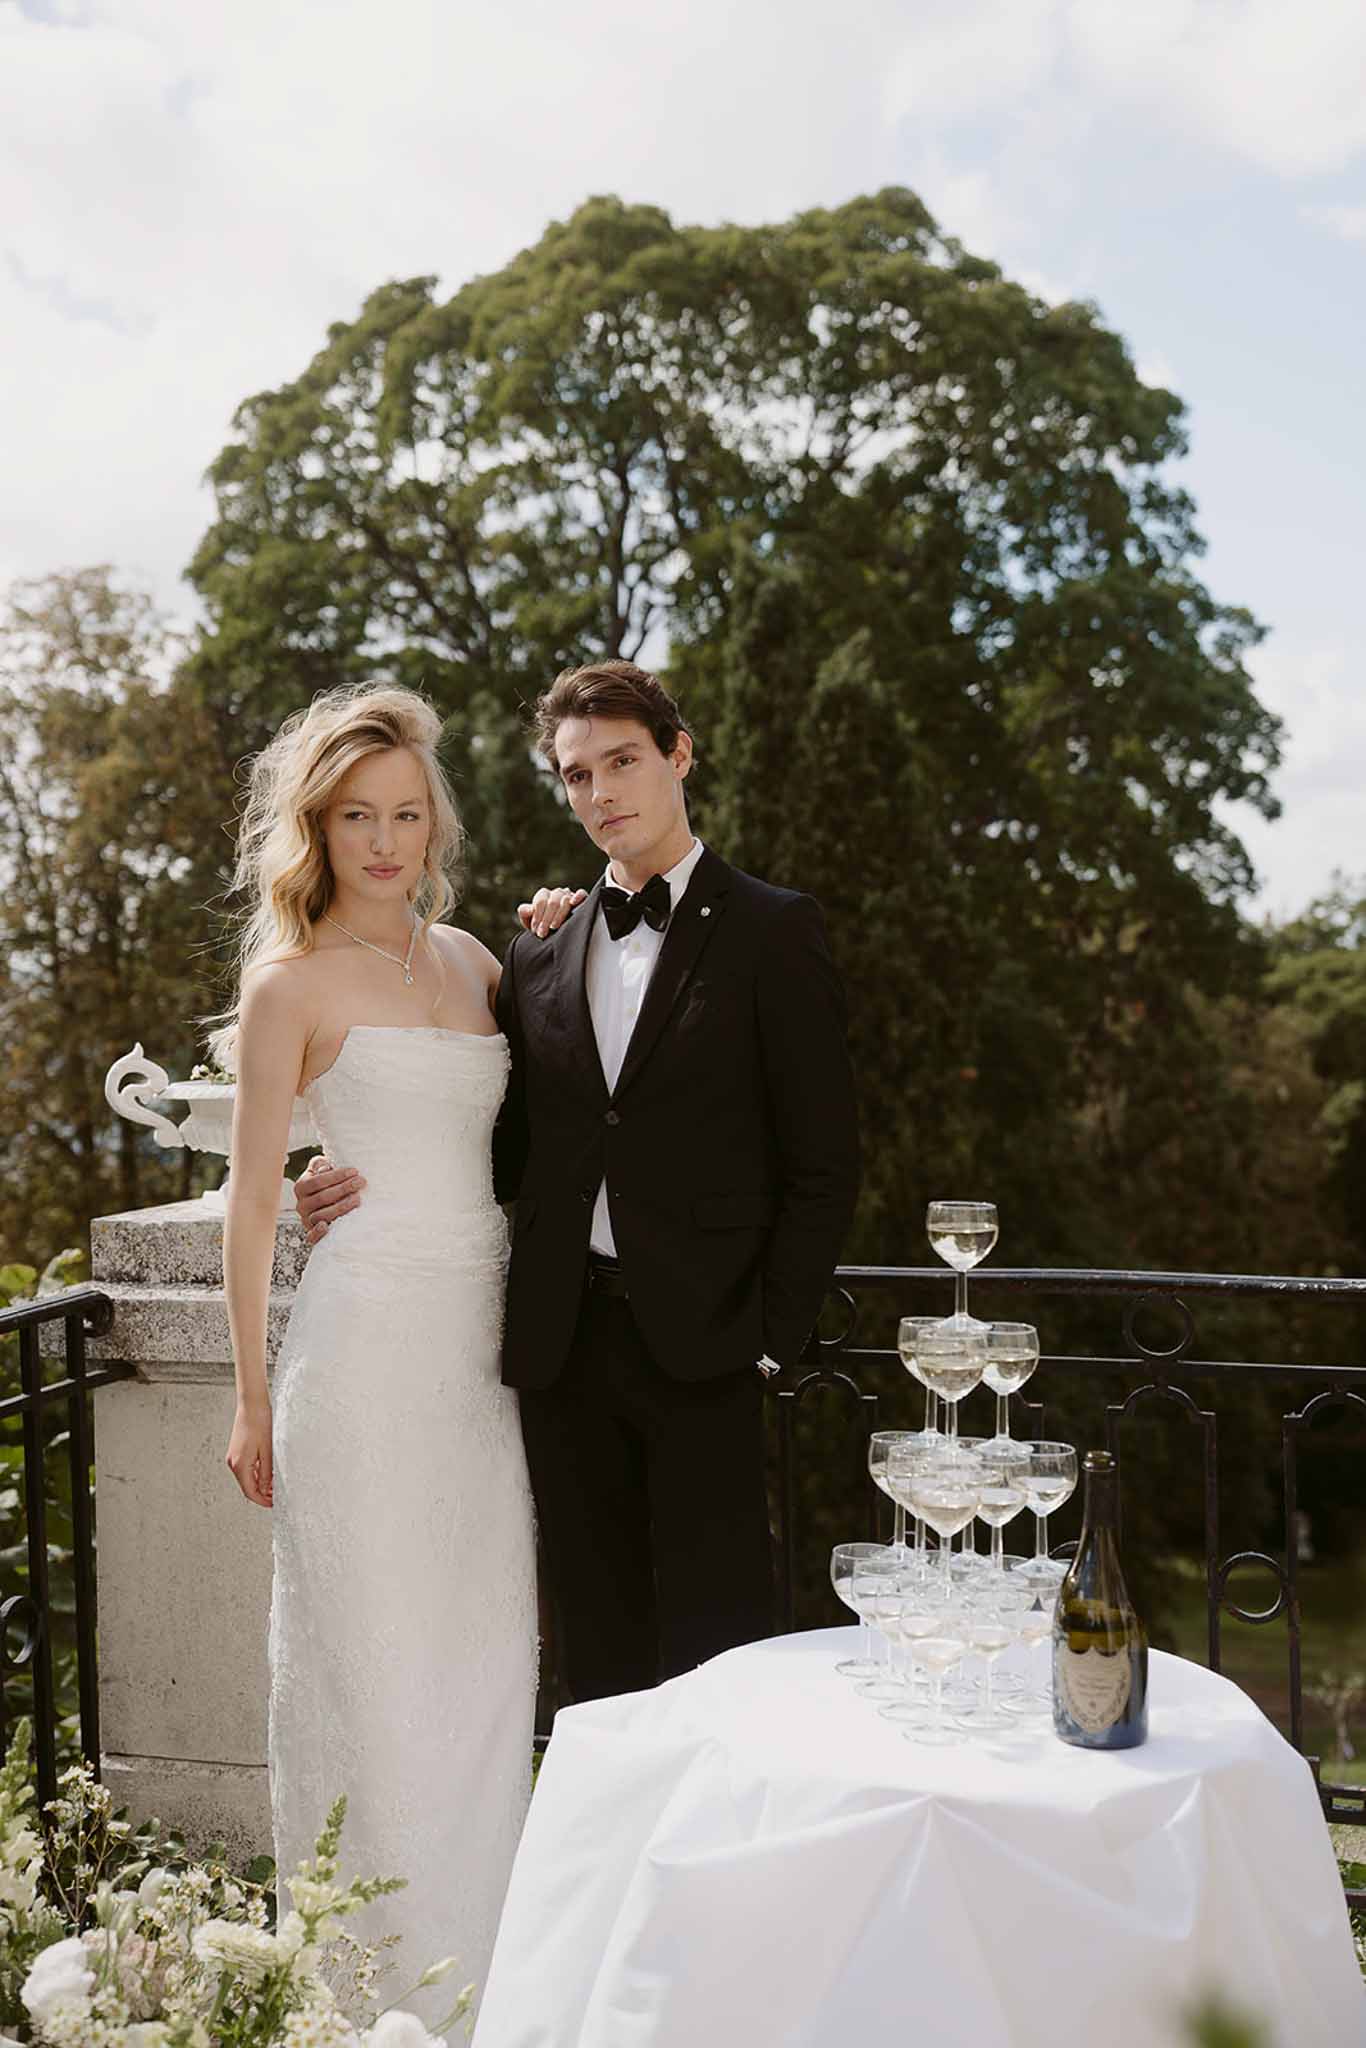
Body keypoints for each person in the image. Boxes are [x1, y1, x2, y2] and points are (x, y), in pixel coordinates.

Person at [298, 660, 860, 1706]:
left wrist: (768, 1340)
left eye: (623, 761)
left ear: (679, 756)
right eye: (577, 774)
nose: (602, 792)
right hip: (562, 1353)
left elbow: (824, 1162)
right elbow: (498, 1145)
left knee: (721, 1657)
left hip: (707, 1351)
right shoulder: (539, 953)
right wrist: (342, 1169)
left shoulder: (773, 929)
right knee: (594, 1663)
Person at [220, 683, 576, 2018]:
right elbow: (251, 1200)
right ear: (318, 829)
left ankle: (490, 1991)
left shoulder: (479, 961)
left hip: (481, 1363)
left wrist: (563, 928)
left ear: (436, 826)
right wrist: (251, 1400)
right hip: (360, 1358)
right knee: (368, 1676)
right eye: (357, 817)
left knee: (481, 1673)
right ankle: (365, 2002)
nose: (383, 841)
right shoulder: (289, 984)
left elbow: (543, 1118)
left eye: (406, 815)